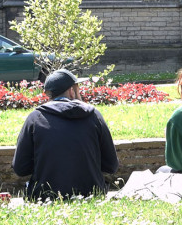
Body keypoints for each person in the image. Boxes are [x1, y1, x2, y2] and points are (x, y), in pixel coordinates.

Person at [12, 69, 118, 199]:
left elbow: (20, 168)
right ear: (71, 91)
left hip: (45, 197)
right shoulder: (94, 115)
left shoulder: (35, 118)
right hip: (90, 195)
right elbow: (111, 166)